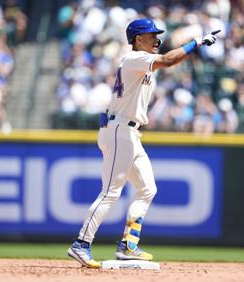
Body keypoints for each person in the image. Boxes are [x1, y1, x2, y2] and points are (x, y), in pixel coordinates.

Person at [67, 18, 218, 268]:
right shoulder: (134, 58)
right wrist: (197, 42)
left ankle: (128, 245)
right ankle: (81, 243)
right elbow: (169, 60)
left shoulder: (142, 62)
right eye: (151, 35)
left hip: (130, 133)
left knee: (147, 188)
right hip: (120, 130)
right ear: (138, 39)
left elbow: (166, 60)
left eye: (157, 35)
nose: (157, 39)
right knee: (110, 192)